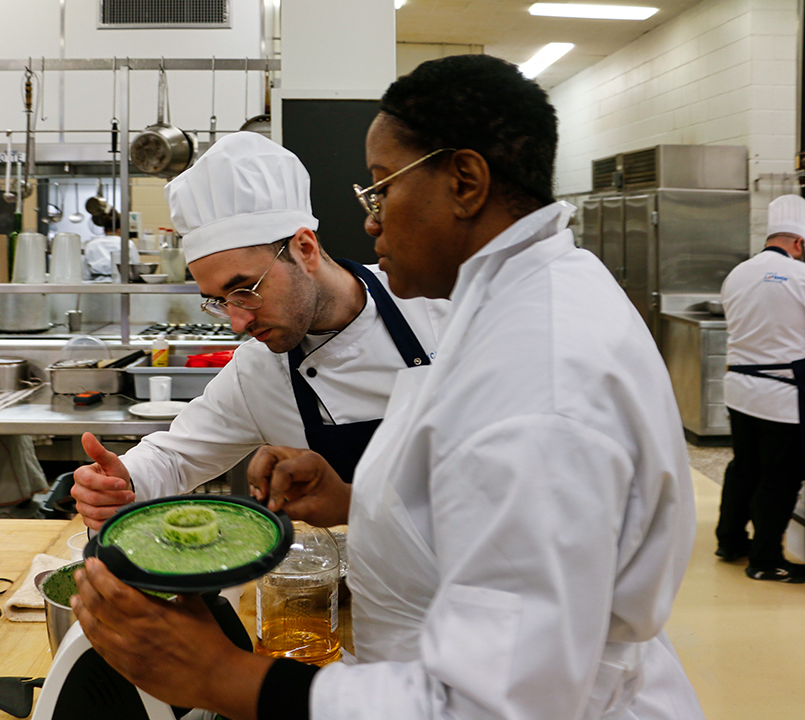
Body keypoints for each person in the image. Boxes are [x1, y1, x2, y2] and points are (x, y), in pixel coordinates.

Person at [69, 55, 704, 720]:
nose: (370, 222)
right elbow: (473, 507)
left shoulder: (536, 372)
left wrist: (222, 676)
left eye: (381, 189)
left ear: (465, 181)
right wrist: (353, 497)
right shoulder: (525, 300)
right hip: (406, 664)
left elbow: (489, 706)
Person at [71, 131, 449, 530]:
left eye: (244, 291)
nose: (238, 322)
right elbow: (175, 456)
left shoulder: (438, 303)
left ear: (305, 249)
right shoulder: (259, 371)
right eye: (219, 301)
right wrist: (119, 481)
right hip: (348, 581)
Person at [715, 194, 805, 582]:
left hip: (739, 390)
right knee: (780, 477)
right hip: (780, 396)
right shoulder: (800, 277)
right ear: (799, 243)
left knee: (743, 468)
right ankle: (766, 560)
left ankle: (730, 541)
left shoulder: (737, 273)